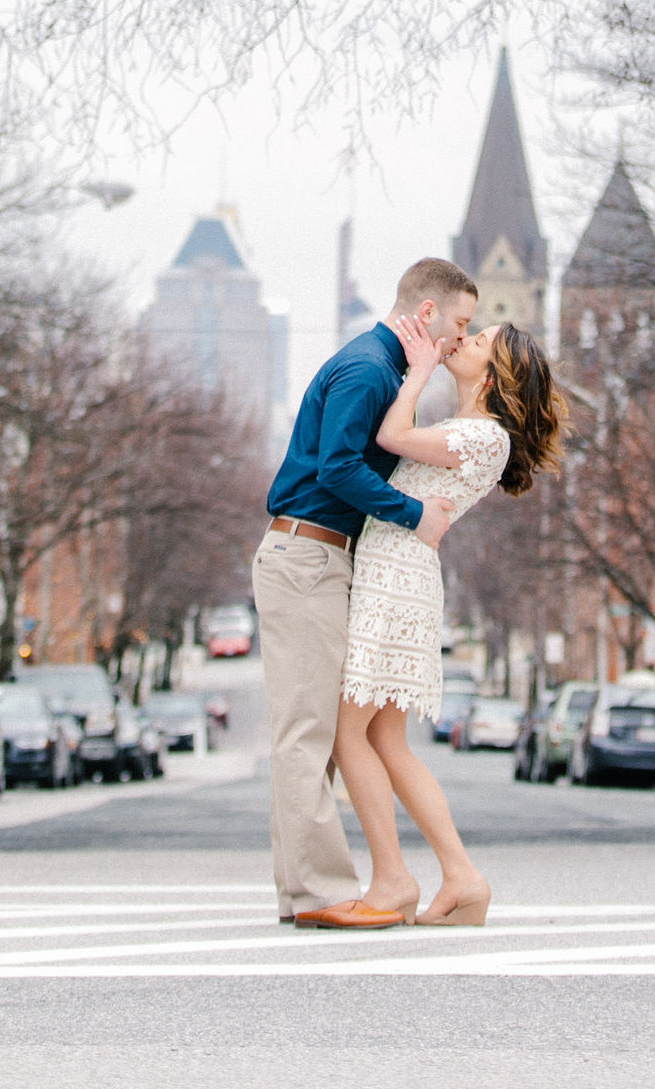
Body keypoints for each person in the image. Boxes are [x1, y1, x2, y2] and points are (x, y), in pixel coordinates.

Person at [252, 258, 479, 930]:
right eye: (460, 324)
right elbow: (338, 466)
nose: (461, 339)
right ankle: (320, 892)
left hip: (322, 556)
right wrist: (416, 516)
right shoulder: (367, 371)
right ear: (427, 314)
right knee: (306, 731)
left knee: (311, 731)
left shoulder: (387, 371)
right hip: (307, 556)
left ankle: (305, 890)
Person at [327, 311, 567, 928]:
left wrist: (419, 370)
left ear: (494, 374)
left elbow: (392, 437)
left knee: (348, 732)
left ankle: (393, 880)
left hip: (396, 576)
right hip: (396, 567)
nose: (466, 338)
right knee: (383, 738)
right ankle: (461, 877)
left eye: (480, 341)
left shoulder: (486, 436)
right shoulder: (469, 426)